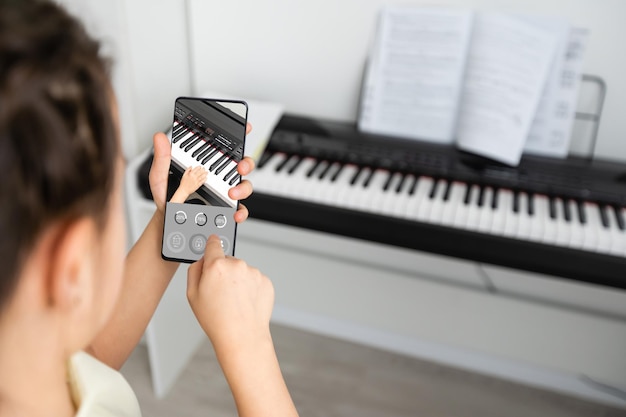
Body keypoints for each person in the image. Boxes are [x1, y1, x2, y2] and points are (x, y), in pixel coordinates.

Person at [0, 1, 299, 416]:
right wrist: (248, 346)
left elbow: (89, 362)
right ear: (70, 265)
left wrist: (170, 217)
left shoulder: (26, 360)